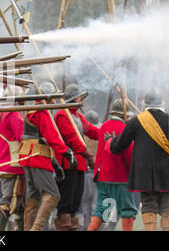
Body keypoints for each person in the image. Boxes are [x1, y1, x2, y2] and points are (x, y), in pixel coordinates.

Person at [110, 90, 169, 231]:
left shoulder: (136, 121)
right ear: (161, 103)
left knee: (148, 207)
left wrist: (110, 141)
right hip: (167, 174)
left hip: (145, 175)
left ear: (145, 103)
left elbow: (118, 146)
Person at [20, 81, 76, 231]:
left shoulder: (35, 109)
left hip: (30, 155)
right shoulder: (41, 111)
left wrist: (56, 165)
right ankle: (35, 229)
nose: (56, 100)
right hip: (36, 156)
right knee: (52, 194)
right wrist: (65, 151)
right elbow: (52, 137)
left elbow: (44, 139)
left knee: (33, 198)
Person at [88, 99, 138, 231]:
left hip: (103, 177)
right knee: (127, 211)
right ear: (124, 113)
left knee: (102, 210)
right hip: (121, 178)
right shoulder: (125, 128)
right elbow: (129, 155)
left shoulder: (103, 126)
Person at [54, 84, 98, 231]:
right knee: (66, 201)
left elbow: (92, 131)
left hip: (78, 163)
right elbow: (72, 139)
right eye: (80, 97)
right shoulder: (62, 115)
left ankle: (72, 226)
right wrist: (89, 156)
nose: (82, 99)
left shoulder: (77, 116)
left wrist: (108, 133)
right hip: (67, 163)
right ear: (74, 98)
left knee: (75, 202)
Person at [0, 85, 26, 231]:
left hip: (8, 163)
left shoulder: (4, 112)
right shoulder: (13, 114)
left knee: (18, 203)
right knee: (9, 201)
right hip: (13, 165)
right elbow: (22, 137)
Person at [79, 110, 100, 231]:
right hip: (97, 172)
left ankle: (87, 227)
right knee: (95, 205)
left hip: (86, 172)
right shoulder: (98, 133)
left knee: (85, 204)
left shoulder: (81, 134)